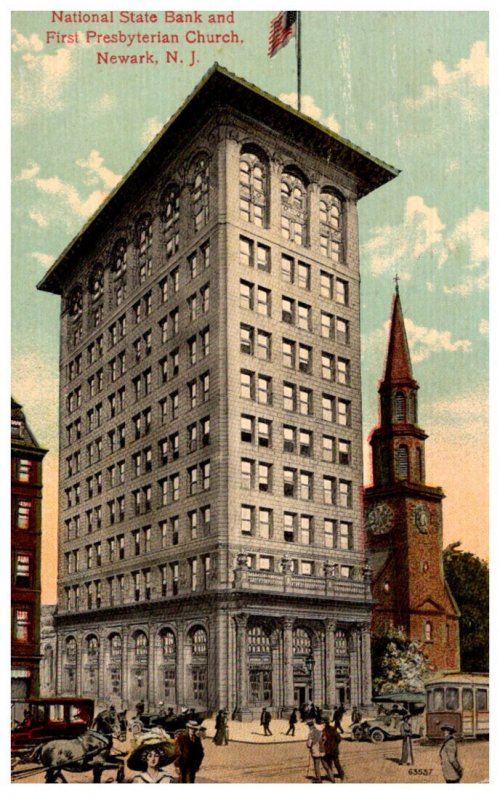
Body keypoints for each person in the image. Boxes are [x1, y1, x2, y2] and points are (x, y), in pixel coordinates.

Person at [306, 719, 335, 783]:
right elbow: (325, 739)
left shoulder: (311, 733)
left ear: (309, 726)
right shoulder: (320, 731)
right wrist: (322, 744)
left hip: (315, 752)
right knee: (326, 765)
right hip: (322, 751)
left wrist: (309, 745)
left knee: (317, 766)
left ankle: (319, 779)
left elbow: (309, 744)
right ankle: (332, 778)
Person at [322, 717, 345, 782]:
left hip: (328, 750)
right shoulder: (333, 729)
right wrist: (336, 745)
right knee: (337, 763)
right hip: (334, 750)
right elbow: (339, 739)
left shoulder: (324, 730)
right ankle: (341, 775)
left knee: (329, 764)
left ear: (324, 723)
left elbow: (323, 741)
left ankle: (330, 775)